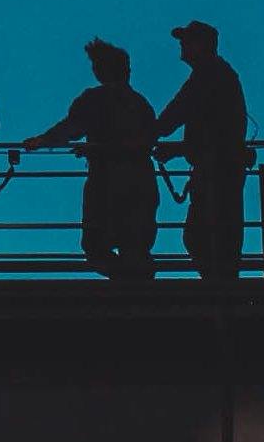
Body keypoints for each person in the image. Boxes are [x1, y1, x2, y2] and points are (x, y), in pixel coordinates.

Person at [25, 41, 163, 282]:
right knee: (136, 246)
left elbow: (71, 127)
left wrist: (43, 140)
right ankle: (138, 289)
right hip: (141, 179)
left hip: (108, 181)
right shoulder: (140, 103)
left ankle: (125, 284)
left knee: (96, 244)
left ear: (100, 71)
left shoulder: (95, 99)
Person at [158, 21, 252, 284]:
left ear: (200, 45)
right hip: (221, 167)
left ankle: (219, 291)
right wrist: (177, 148)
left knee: (204, 236)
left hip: (216, 171)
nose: (182, 45)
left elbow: (177, 113)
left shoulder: (208, 75)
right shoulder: (218, 74)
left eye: (186, 40)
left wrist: (148, 134)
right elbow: (213, 130)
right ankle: (221, 288)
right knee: (216, 237)